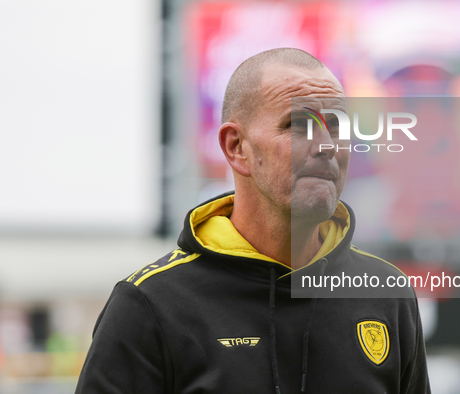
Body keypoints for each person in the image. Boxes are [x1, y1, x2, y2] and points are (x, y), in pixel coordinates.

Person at [76, 48, 430, 393]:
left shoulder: (387, 294)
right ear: (236, 147)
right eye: (299, 124)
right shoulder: (150, 304)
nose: (327, 146)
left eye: (336, 126)